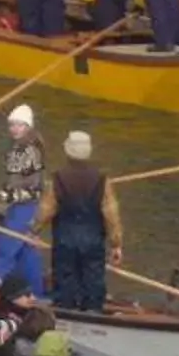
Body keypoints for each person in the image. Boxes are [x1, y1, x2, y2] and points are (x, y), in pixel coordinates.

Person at [40, 130, 122, 314]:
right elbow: (111, 213)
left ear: (68, 151)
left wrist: (33, 229)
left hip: (64, 237)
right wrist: (116, 243)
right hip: (93, 238)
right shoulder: (101, 179)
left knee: (65, 278)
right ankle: (93, 313)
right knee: (94, 279)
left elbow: (46, 210)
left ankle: (65, 313)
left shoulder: (58, 178)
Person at [0, 102, 49, 286]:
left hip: (19, 207)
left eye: (19, 125)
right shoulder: (37, 144)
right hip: (34, 205)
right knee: (27, 251)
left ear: (28, 126)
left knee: (2, 249)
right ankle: (36, 292)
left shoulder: (19, 150)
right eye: (12, 124)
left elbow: (12, 185)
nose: (14, 129)